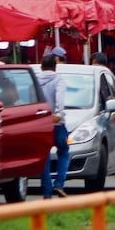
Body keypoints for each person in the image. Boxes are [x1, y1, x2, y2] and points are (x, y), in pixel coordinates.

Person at [37, 53, 69, 198]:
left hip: (41, 124)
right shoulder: (59, 80)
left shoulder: (35, 80)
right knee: (63, 151)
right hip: (57, 123)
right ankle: (59, 184)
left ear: (41, 66)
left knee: (44, 156)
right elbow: (60, 100)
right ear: (55, 67)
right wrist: (58, 114)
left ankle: (47, 192)